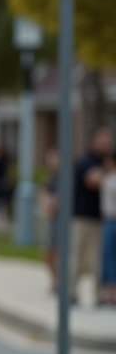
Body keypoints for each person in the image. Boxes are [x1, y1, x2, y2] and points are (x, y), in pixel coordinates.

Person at [66, 126, 110, 305]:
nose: (107, 144)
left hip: (99, 217)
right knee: (77, 255)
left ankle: (98, 294)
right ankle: (71, 291)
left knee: (97, 259)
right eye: (104, 140)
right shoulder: (86, 160)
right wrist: (108, 173)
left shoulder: (105, 161)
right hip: (82, 217)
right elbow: (93, 181)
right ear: (94, 141)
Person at [42, 147, 60, 293]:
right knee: (48, 250)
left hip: (62, 220)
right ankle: (54, 281)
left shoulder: (67, 178)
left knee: (61, 252)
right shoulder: (49, 178)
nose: (52, 162)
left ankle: (61, 281)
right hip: (51, 219)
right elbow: (42, 192)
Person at [100, 154, 116, 307]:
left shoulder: (110, 180)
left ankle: (111, 292)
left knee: (109, 257)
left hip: (111, 220)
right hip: (108, 220)